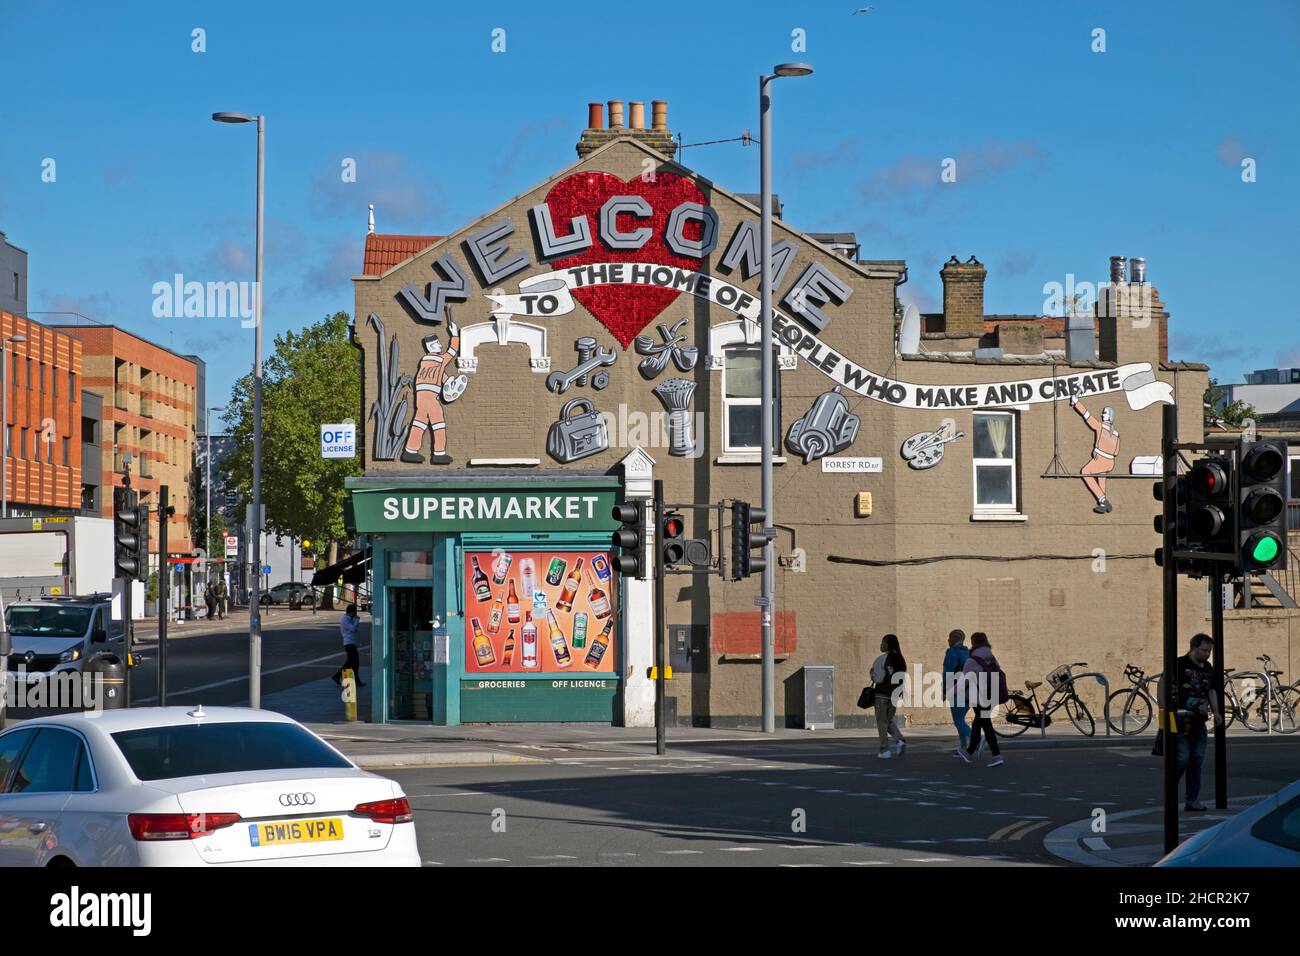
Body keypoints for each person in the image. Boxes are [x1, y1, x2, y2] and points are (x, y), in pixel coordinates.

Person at [1157, 633, 1223, 811]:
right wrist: (1163, 709)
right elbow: (1162, 682)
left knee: (1197, 759)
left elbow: (1212, 691)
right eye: (1204, 650)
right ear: (1193, 647)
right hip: (1179, 719)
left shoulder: (1208, 668)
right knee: (1182, 758)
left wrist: (1216, 711)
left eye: (1209, 651)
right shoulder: (1179, 664)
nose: (1207, 654)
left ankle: (1192, 800)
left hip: (1199, 721)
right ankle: (1170, 792)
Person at [400, 320, 460, 464]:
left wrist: (449, 381)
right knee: (438, 422)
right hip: (431, 398)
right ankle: (439, 453)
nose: (440, 345)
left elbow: (438, 375)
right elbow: (452, 352)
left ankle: (410, 451)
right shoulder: (438, 359)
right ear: (432, 346)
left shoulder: (426, 362)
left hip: (421, 397)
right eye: (438, 343)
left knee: (419, 422)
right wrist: (455, 335)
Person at [958, 632, 1005, 767]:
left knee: (986, 724)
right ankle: (969, 752)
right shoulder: (991, 657)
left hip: (979, 697)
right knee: (978, 722)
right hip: (992, 695)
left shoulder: (971, 661)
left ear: (973, 643)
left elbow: (964, 682)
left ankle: (997, 756)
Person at [1070, 394, 1119, 514]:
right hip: (1110, 462)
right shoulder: (1116, 434)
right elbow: (1116, 451)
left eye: (1105, 413)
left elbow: (1087, 416)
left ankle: (1103, 499)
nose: (1102, 415)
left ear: (1110, 416)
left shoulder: (1101, 427)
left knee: (1085, 472)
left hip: (1100, 459)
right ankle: (1103, 503)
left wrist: (1077, 403)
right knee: (1101, 477)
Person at [870, 634, 907, 759]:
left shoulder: (881, 659)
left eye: (882, 642)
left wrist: (872, 674)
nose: (881, 645)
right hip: (895, 695)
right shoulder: (900, 660)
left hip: (882, 694)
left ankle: (884, 749)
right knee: (888, 720)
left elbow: (879, 678)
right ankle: (899, 739)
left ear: (887, 645)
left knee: (881, 722)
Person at [943, 629, 971, 754]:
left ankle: (978, 740)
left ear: (954, 639)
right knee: (961, 720)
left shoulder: (951, 653)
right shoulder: (968, 653)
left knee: (958, 721)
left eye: (949, 637)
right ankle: (963, 748)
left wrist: (944, 691)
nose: (948, 640)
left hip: (956, 692)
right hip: (970, 692)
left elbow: (948, 675)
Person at [332, 603, 364, 687]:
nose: (355, 614)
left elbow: (356, 630)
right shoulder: (345, 619)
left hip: (353, 643)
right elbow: (353, 629)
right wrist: (357, 620)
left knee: (351, 663)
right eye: (354, 612)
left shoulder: (351, 618)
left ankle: (338, 676)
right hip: (348, 643)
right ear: (351, 612)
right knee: (354, 663)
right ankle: (355, 681)